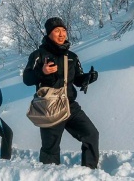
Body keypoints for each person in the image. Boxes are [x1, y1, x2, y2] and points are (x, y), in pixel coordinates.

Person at [23, 17, 99, 168]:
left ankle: (89, 173)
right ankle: (50, 176)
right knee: (50, 149)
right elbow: (27, 78)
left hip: (70, 105)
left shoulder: (72, 57)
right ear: (49, 33)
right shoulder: (38, 55)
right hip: (49, 106)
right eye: (57, 30)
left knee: (91, 134)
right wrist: (42, 72)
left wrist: (87, 78)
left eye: (63, 30)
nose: (61, 34)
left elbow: (77, 79)